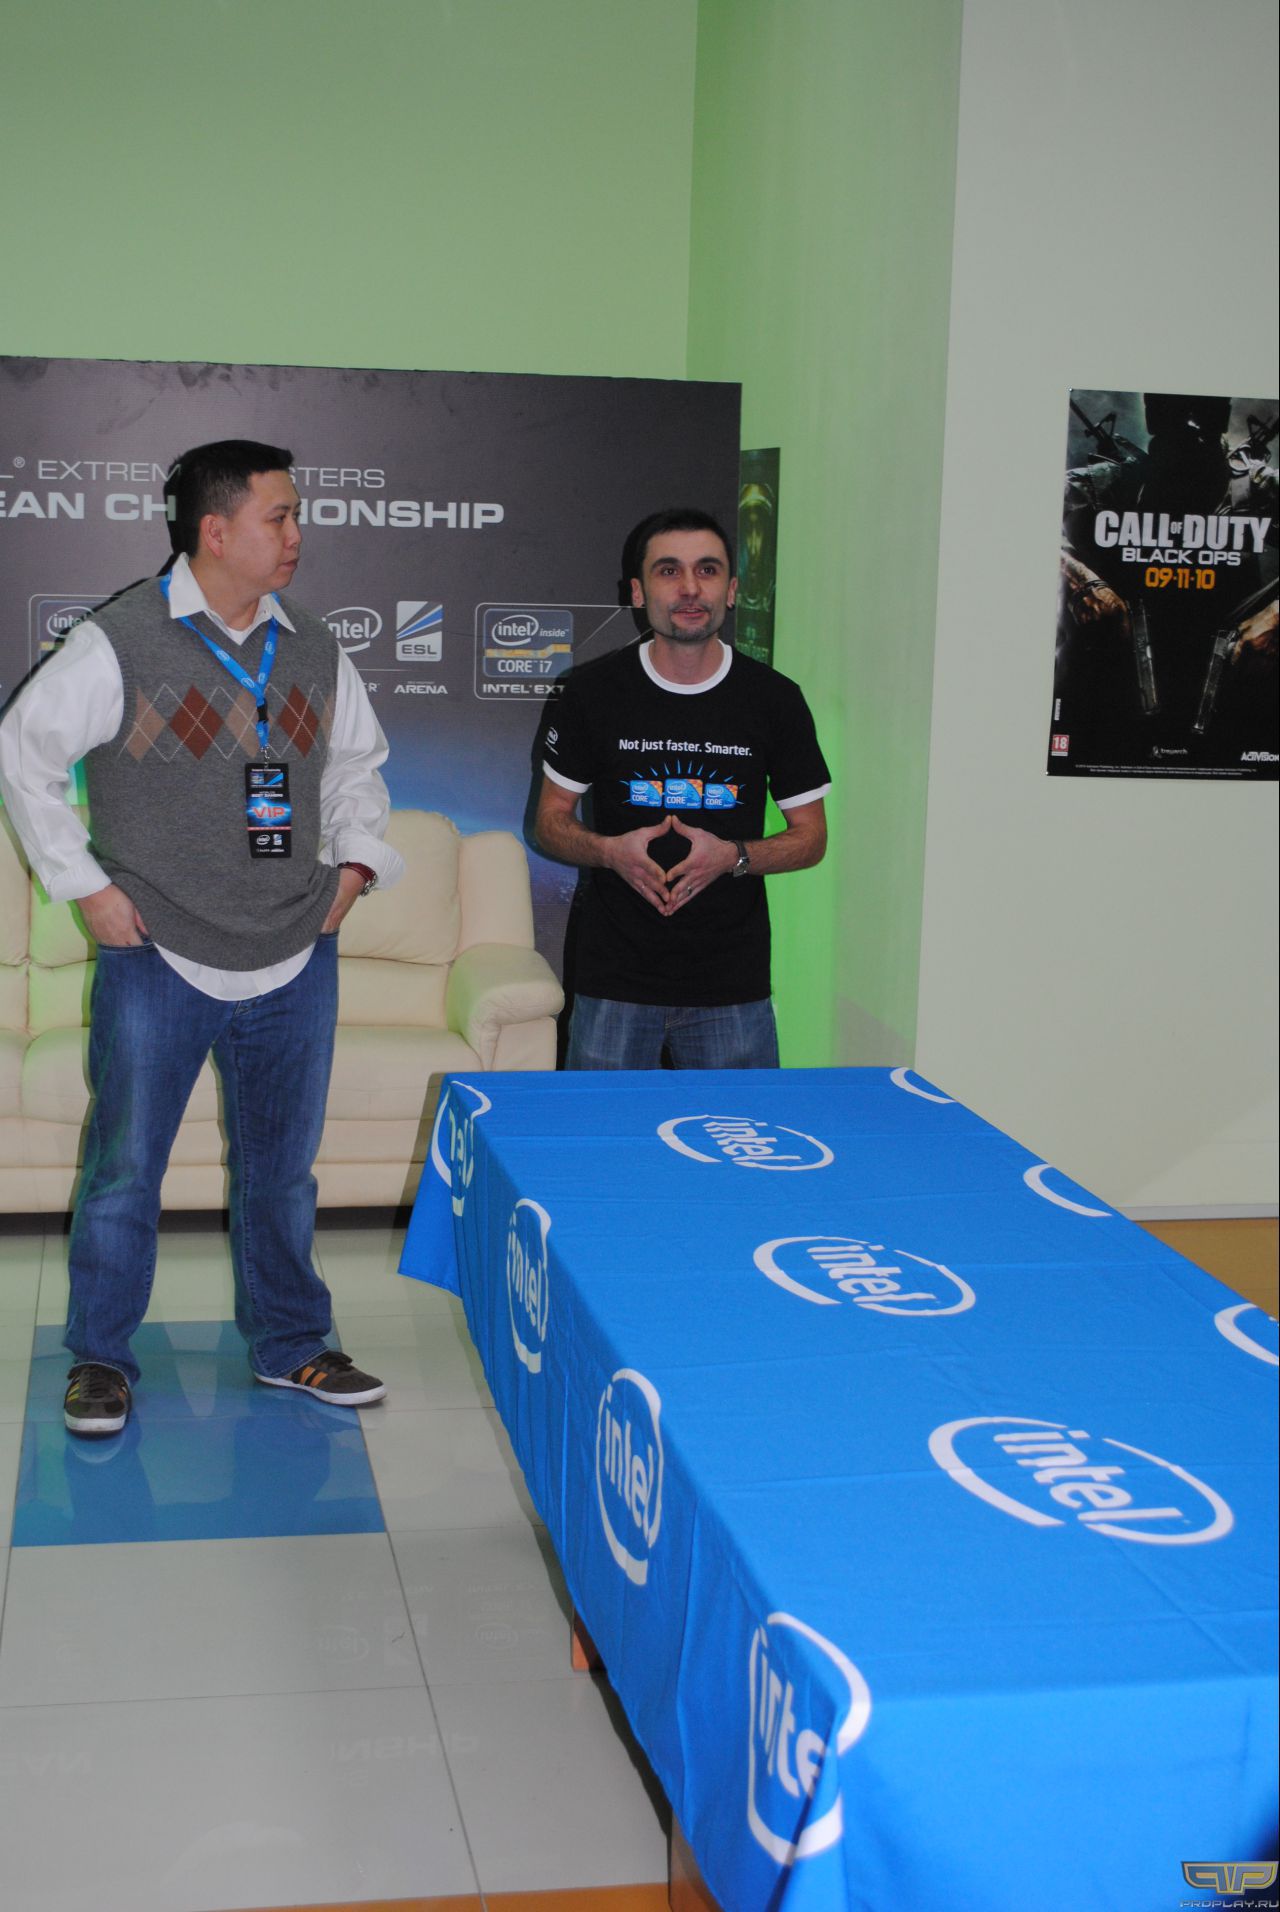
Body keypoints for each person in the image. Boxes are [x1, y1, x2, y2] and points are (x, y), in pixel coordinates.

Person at [0, 439, 404, 1437]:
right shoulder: (119, 639)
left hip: (294, 949)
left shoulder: (312, 645)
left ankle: (293, 1343)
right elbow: (23, 751)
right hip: (158, 953)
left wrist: (354, 871)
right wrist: (87, 889)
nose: (297, 534)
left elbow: (357, 766)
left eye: (296, 515)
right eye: (280, 516)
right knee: (126, 1169)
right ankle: (101, 1357)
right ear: (215, 531)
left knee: (283, 1172)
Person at [534, 506, 829, 1069]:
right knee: (605, 1129)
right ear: (638, 592)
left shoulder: (775, 699)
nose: (690, 588)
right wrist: (609, 852)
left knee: (739, 1128)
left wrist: (733, 857)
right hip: (614, 980)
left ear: (732, 590)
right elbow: (550, 821)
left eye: (708, 570)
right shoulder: (591, 692)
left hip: (732, 985)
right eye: (669, 571)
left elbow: (811, 838)